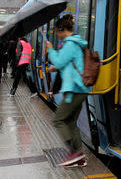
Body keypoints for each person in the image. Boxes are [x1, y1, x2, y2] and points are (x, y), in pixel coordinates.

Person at [46, 14, 90, 167]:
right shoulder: (75, 43)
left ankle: (74, 152)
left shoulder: (70, 44)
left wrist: (51, 50)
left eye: (57, 32)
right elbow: (67, 63)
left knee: (58, 120)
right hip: (79, 88)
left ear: (61, 29)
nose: (57, 36)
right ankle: (80, 157)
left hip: (74, 89)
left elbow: (59, 60)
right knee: (70, 121)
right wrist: (55, 68)